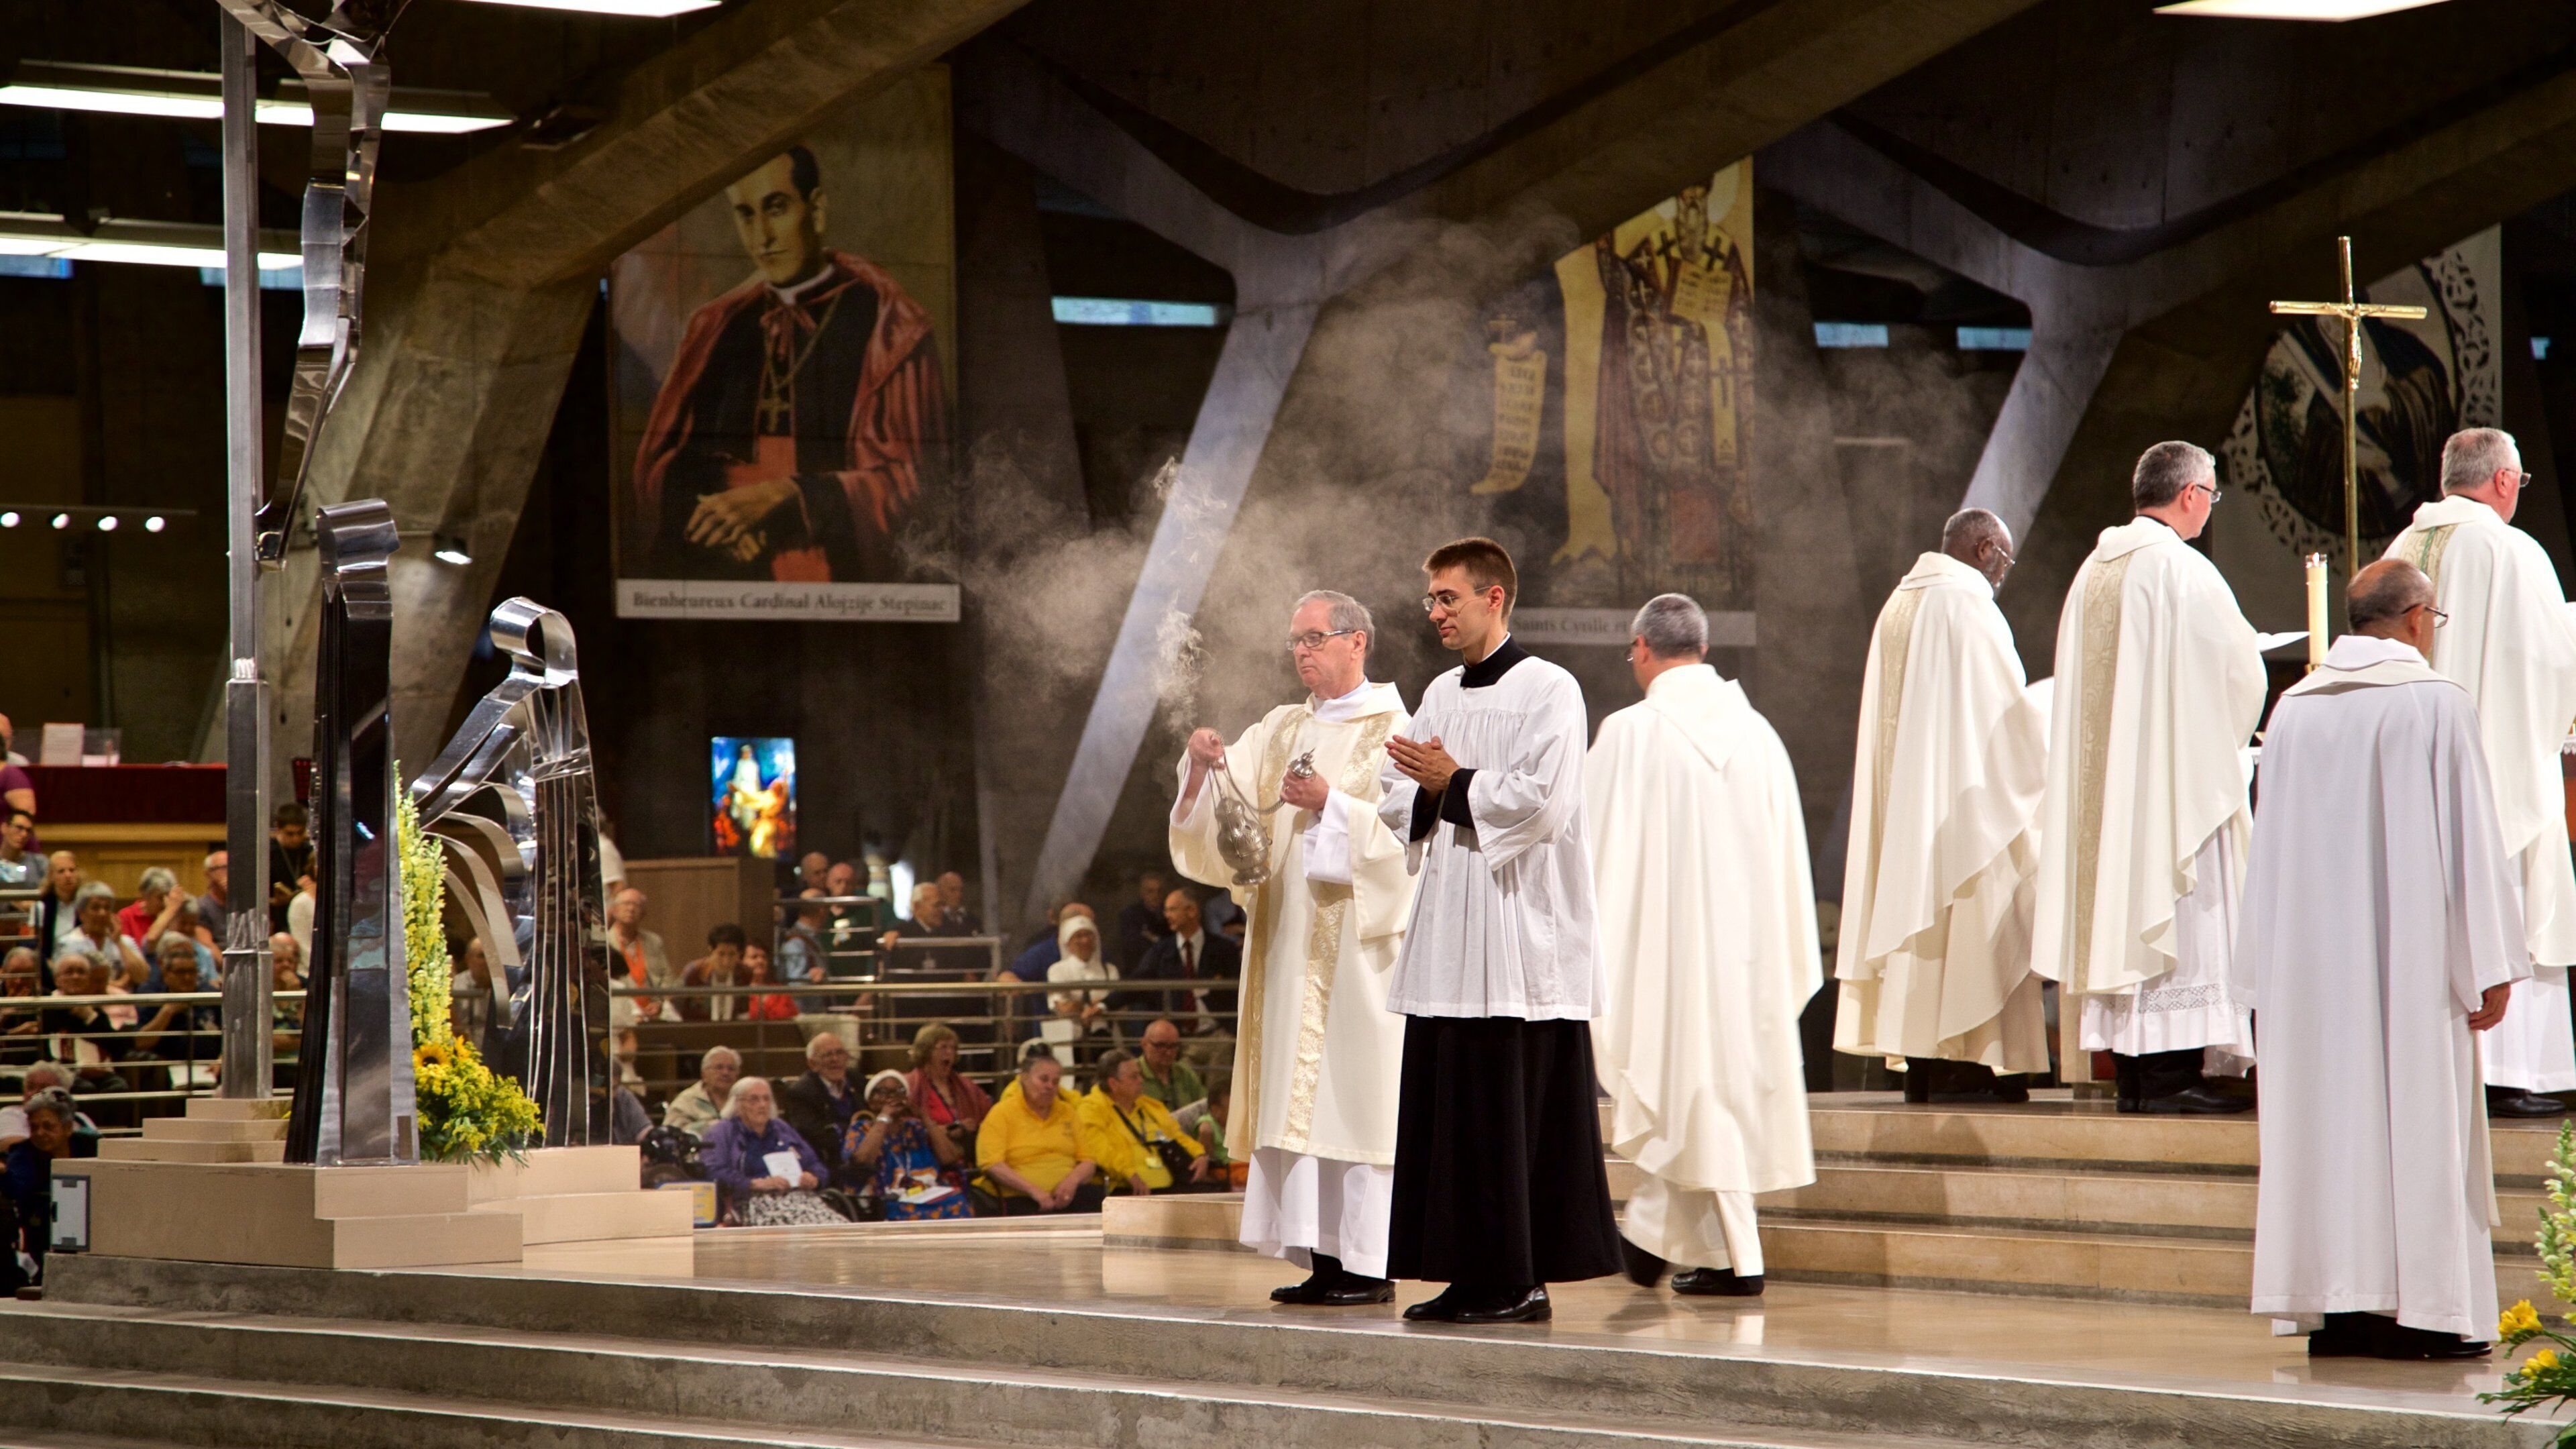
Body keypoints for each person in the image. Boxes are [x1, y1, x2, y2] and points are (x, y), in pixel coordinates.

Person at [2237, 559, 2525, 1358]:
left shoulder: (2294, 709)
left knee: (2331, 1130)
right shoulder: (2436, 704)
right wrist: (2490, 962)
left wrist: (2261, 971)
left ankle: (2343, 1312)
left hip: (2312, 974)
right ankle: (2423, 1314)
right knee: (2415, 1118)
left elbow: (2271, 852)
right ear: (2418, 618)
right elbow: (2472, 840)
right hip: (2412, 967)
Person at [1375, 537, 1623, 1324]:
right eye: (1430, 601)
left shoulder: (1551, 688)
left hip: (1519, 934)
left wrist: (1457, 782)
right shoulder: (1440, 693)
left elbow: (1546, 801)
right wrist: (1428, 789)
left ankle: (1519, 1276)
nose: (1436, 614)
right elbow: (1394, 791)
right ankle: (1468, 1269)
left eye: (1449, 598)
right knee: (1454, 1112)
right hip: (1452, 933)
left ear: (1496, 599)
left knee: (1510, 1117)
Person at [1169, 586, 1417, 1305]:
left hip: (1359, 962)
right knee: (1302, 1107)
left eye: (1314, 638)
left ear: (1356, 642)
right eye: (1296, 642)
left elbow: (1412, 839)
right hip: (1285, 950)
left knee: (1354, 1102)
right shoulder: (1280, 728)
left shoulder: (1398, 728)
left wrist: (1333, 807)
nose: (1302, 652)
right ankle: (1323, 1261)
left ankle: (1370, 1265)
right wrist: (1204, 768)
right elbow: (1230, 828)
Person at [1589, 594, 1819, 1297]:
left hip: (1667, 954)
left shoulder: (1630, 732)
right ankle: (1688, 1247)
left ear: (1640, 649)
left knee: (1677, 1081)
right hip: (1747, 955)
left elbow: (1591, 850)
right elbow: (1787, 860)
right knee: (1705, 1092)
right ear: (1706, 651)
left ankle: (1691, 1250)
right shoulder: (1760, 735)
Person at [2030, 442, 2265, 1114]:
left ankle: (2137, 1074)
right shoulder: (2180, 572)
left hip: (2108, 797)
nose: (2209, 509)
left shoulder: (2092, 573)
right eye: (2212, 497)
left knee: (2120, 910)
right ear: (2191, 493)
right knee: (2179, 910)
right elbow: (2240, 672)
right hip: (2164, 792)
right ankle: (2169, 1078)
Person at [633, 146, 948, 584]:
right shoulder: (716, 328)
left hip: (848, 598)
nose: (762, 237)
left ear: (815, 210)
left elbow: (922, 487)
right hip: (727, 596)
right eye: (746, 214)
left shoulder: (890, 325)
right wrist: (721, 507)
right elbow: (655, 467)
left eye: (776, 208)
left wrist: (791, 498)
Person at [2384, 428, 2576, 1117]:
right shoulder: (2510, 550)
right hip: (2496, 772)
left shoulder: (2401, 551)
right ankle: (2514, 1070)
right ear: (2502, 481)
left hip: (2414, 779)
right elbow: (2550, 665)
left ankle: (2440, 1072)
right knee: (2513, 905)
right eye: (2519, 484)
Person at [1835, 510, 2051, 1098]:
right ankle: (1965, 1060)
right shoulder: (1967, 605)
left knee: (1917, 921)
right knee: (1964, 909)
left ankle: (1929, 1066)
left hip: (1910, 817)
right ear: (1984, 548)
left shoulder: (1898, 607)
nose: (2003, 575)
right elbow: (2007, 724)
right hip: (1957, 814)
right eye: (2004, 560)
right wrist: (2056, 715)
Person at [699, 1076, 839, 1226]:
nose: (762, 1105)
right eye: (754, 1100)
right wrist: (755, 1184)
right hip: (753, 1201)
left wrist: (814, 1178)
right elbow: (713, 1172)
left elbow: (815, 1163)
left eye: (767, 1099)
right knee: (801, 1228)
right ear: (737, 1104)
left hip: (800, 1198)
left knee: (837, 1227)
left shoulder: (781, 1128)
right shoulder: (722, 1132)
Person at [973, 1053, 1102, 1214]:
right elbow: (992, 1164)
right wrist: (1034, 1191)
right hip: (1018, 1196)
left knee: (1099, 1201)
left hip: (1069, 1195)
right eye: (1044, 1079)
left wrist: (1072, 1182)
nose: (1050, 1086)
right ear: (1024, 1079)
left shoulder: (1068, 1112)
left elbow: (1088, 1160)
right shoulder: (1002, 1113)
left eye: (1055, 1082)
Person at [1077, 1048, 1214, 1195]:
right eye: (1134, 1077)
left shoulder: (1150, 1106)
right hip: (1125, 1189)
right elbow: (1100, 1150)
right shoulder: (1091, 1109)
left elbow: (1177, 1135)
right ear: (1113, 1084)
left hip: (1171, 1186)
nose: (1141, 1080)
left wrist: (1199, 1154)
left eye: (1140, 1075)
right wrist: (1130, 1175)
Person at [845, 1069, 971, 1218]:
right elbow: (861, 1161)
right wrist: (885, 1116)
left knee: (958, 1201)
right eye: (884, 1092)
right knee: (908, 1211)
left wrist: (924, 1117)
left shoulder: (915, 1127)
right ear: (871, 1102)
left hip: (925, 1192)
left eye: (899, 1091)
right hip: (886, 1197)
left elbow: (950, 1158)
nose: (892, 1097)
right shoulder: (861, 1128)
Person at [4, 1088, 91, 1288]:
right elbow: (18, 1187)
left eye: (47, 1127)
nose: (39, 1134)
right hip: (44, 1238)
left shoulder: (89, 1146)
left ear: (68, 1128)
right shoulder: (23, 1155)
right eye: (34, 1127)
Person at [1126, 890, 1239, 1028]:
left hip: (1218, 1036)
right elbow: (1137, 981)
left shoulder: (1224, 949)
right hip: (1176, 1040)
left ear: (1192, 911)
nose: (1167, 915)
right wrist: (1104, 1004)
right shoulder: (1161, 951)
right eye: (1166, 911)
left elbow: (1238, 992)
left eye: (1172, 910)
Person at [906, 1020, 992, 1157]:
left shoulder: (967, 1086)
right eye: (943, 1047)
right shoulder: (910, 1086)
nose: (950, 1052)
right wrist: (948, 1130)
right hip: (926, 1157)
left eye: (953, 1048)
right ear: (926, 1051)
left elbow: (990, 1119)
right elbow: (905, 1132)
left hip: (966, 1156)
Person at [780, 1032, 861, 1174]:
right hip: (826, 1164)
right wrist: (858, 1131)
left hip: (862, 1157)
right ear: (812, 1064)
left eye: (839, 1053)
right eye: (827, 1055)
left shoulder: (856, 1080)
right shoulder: (801, 1092)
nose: (835, 1059)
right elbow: (814, 1136)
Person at [1042, 915, 1118, 1055]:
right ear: (1068, 943)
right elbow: (1062, 1007)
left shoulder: (1110, 970)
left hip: (1105, 1037)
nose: (1085, 940)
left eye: (1089, 935)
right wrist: (1094, 1005)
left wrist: (1078, 1004)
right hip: (1070, 1039)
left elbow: (1120, 1005)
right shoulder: (1057, 970)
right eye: (1078, 936)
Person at [607, 886, 677, 1024]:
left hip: (654, 1013)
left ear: (644, 913)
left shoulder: (654, 941)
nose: (631, 909)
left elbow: (668, 978)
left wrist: (659, 1003)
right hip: (621, 1013)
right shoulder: (605, 942)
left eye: (636, 905)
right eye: (626, 904)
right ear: (614, 910)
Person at [662, 1044, 741, 1138]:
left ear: (737, 1075)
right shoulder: (687, 1100)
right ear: (704, 1074)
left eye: (731, 1069)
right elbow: (670, 1134)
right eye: (719, 1068)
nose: (725, 1073)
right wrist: (710, 1126)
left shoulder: (744, 1099)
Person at [1132, 1019, 1205, 1111]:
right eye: (1160, 1046)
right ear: (1144, 1044)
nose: (1168, 1052)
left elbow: (1205, 1107)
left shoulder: (1185, 1073)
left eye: (1174, 1046)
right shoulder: (1131, 1074)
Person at [679, 924, 747, 1023]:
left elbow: (743, 1012)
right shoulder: (694, 971)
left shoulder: (744, 974)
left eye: (732, 954)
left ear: (740, 953)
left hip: (732, 1032)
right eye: (721, 954)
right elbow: (673, 1006)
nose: (726, 962)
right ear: (711, 950)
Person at [268, 802, 314, 932]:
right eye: (290, 834)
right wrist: (275, 901)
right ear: (278, 828)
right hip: (276, 917)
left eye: (300, 833)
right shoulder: (267, 853)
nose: (296, 839)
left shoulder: (309, 851)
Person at [1114, 871, 1173, 969]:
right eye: (1150, 891)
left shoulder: (1171, 915)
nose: (1155, 896)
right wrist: (1162, 942)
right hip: (1139, 971)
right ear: (1142, 893)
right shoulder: (1130, 915)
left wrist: (1154, 939)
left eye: (1159, 891)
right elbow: (1133, 945)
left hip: (1166, 971)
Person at [32, 851, 80, 969]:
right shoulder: (41, 906)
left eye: (72, 870)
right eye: (61, 871)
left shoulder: (86, 904)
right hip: (50, 968)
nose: (68, 875)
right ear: (51, 876)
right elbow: (36, 946)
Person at [739, 945, 798, 1020]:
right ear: (742, 961)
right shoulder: (738, 992)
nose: (760, 961)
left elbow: (796, 1019)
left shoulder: (781, 991)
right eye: (754, 957)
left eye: (764, 957)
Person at [193, 850, 231, 949]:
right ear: (208, 874)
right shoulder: (201, 906)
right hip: (220, 960)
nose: (230, 872)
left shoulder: (243, 904)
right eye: (224, 868)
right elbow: (207, 946)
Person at [0, 809, 39, 885]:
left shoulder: (39, 863)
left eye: (28, 831)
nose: (24, 834)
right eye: (19, 828)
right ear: (4, 828)